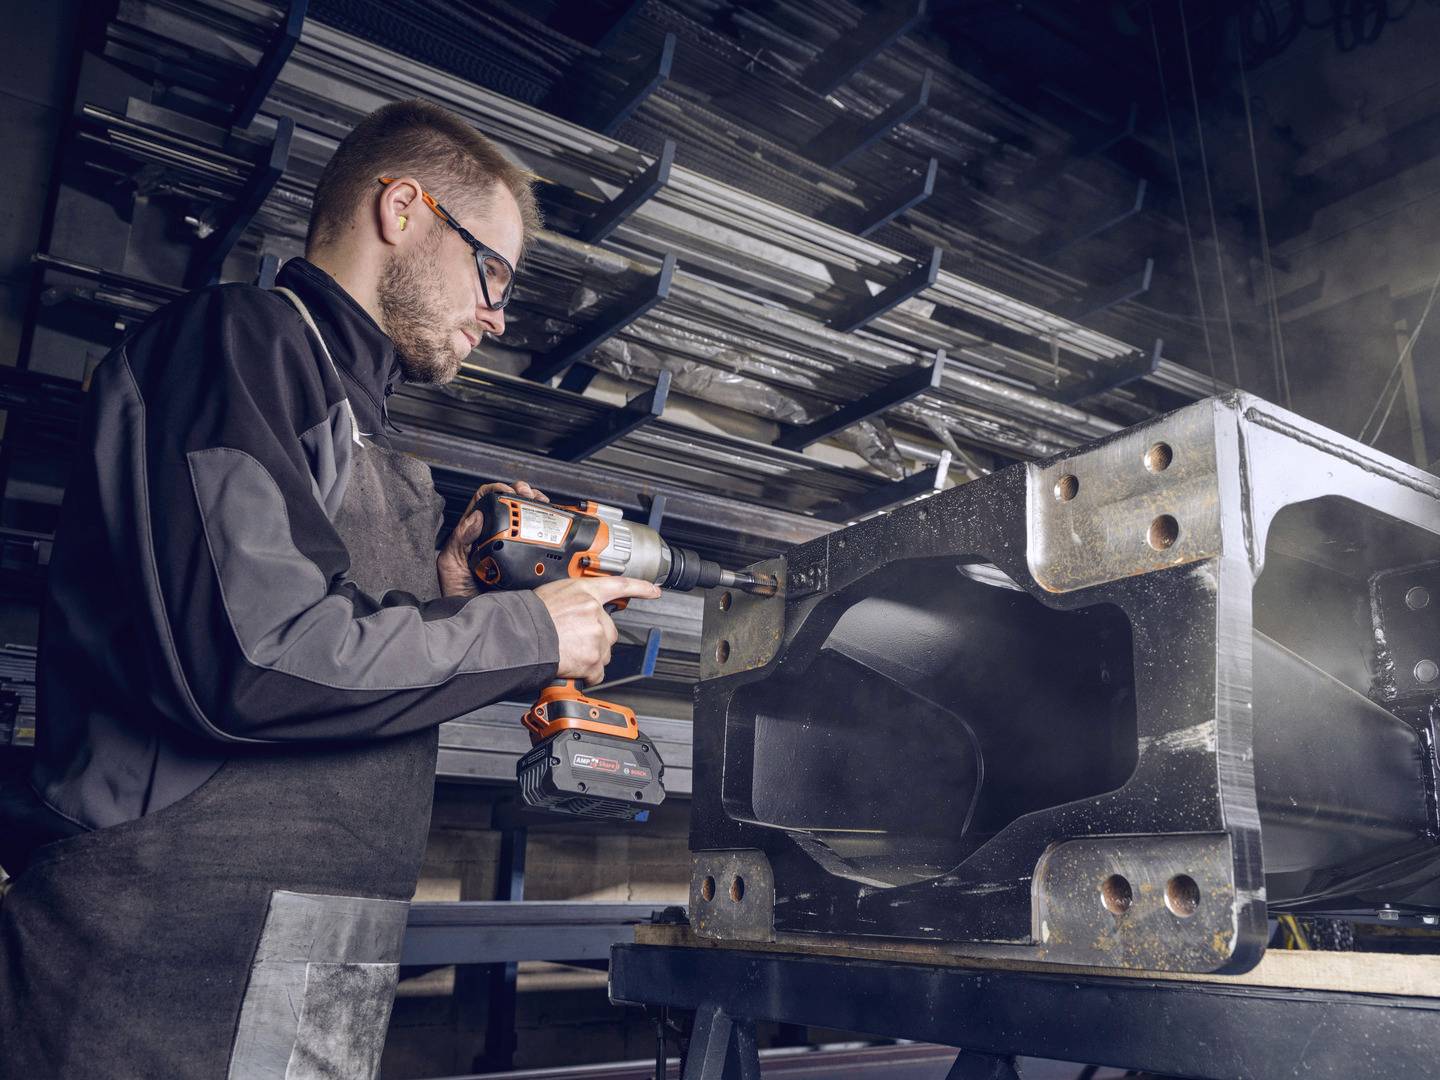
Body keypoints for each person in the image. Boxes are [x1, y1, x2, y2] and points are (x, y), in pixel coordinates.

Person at [0, 98, 659, 1079]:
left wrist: (450, 598)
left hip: (331, 950)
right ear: (402, 208)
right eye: (491, 271)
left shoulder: (368, 430)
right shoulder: (239, 346)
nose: (498, 315)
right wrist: (521, 631)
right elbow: (257, 653)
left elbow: (349, 643)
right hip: (163, 947)